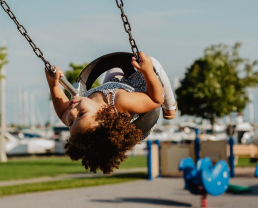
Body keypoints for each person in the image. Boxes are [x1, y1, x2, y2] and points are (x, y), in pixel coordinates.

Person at [45, 51, 177, 174]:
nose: (72, 112)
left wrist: (54, 85)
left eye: (71, 122)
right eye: (81, 114)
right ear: (107, 112)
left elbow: (63, 113)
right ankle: (170, 106)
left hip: (113, 85)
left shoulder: (83, 120)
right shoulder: (121, 101)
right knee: (153, 63)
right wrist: (148, 72)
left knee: (115, 67)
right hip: (142, 89)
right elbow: (155, 99)